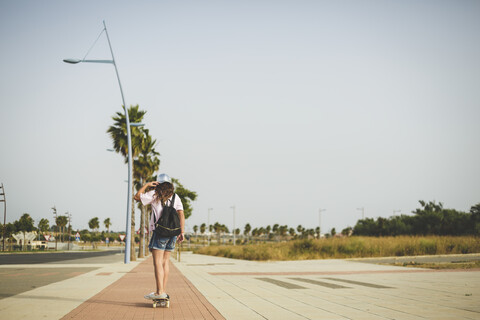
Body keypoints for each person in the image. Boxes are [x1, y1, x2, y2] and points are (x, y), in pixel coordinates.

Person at [134, 173, 185, 300]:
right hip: (173, 233)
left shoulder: (155, 194)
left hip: (160, 232)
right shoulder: (176, 197)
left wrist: (146, 185)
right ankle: (162, 290)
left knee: (157, 262)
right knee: (165, 262)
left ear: (158, 183)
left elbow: (136, 197)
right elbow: (181, 214)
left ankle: (159, 292)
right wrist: (182, 232)